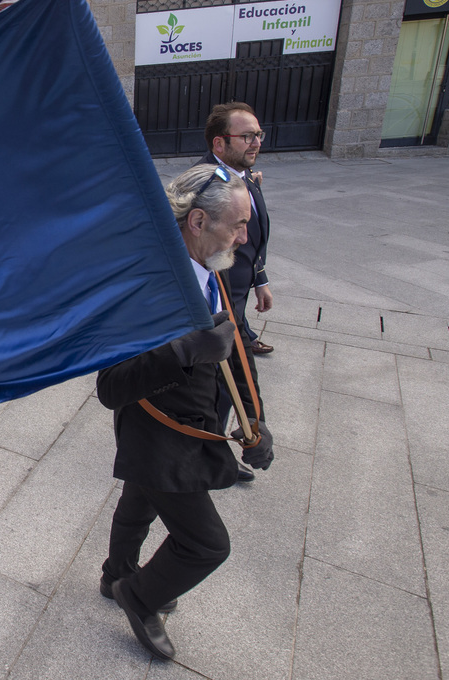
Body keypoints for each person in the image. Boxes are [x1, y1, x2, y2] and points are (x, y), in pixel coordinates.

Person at [97, 163, 274, 663]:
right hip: (159, 433)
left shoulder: (212, 269)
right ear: (197, 221)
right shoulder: (144, 286)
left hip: (199, 425)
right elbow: (110, 387)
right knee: (206, 545)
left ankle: (116, 576)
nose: (246, 235)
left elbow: (234, 354)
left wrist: (254, 423)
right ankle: (140, 594)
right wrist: (183, 351)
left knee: (139, 504)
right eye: (238, 225)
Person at [196, 102, 273, 356]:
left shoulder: (244, 173)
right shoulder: (203, 187)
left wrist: (260, 278)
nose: (256, 143)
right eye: (247, 136)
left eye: (258, 135)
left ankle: (245, 337)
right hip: (220, 298)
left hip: (239, 291)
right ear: (219, 144)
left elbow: (254, 236)